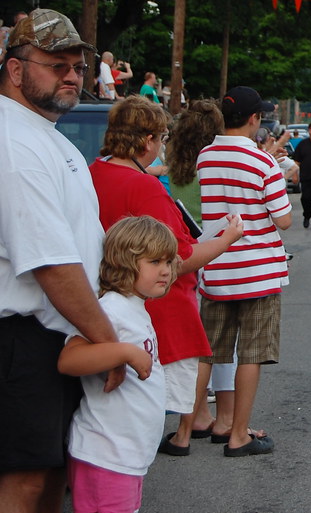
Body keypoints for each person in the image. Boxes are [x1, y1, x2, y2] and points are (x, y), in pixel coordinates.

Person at [0, 9, 125, 513]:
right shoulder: (15, 142)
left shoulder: (41, 133)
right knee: (24, 480)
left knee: (51, 473)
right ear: (15, 68)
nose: (72, 75)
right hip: (24, 341)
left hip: (55, 337)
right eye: (56, 64)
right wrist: (109, 343)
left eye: (77, 65)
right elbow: (52, 265)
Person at [89, 96, 245, 456]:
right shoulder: (142, 186)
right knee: (141, 410)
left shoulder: (94, 171)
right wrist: (227, 239)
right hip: (156, 306)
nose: (162, 146)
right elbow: (179, 258)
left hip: (108, 296)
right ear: (148, 141)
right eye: (161, 138)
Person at [194, 86, 291, 457]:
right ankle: (238, 435)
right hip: (258, 272)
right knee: (250, 354)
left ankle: (188, 428)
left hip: (215, 268)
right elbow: (284, 220)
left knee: (207, 353)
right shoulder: (263, 163)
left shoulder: (206, 156)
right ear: (255, 119)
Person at [57, 217, 177, 513]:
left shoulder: (133, 307)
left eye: (169, 261)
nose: (166, 270)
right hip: (106, 453)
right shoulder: (111, 308)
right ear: (125, 262)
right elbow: (69, 359)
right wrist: (124, 352)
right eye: (155, 261)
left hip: (125, 455)